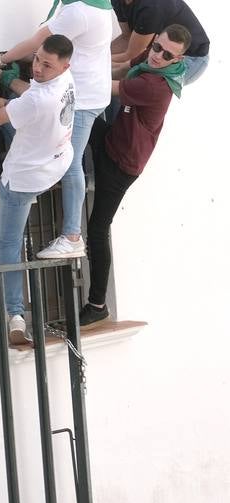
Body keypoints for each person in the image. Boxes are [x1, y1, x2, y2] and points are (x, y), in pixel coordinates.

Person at [80, 25, 190, 327]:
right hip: (114, 139)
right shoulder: (148, 60)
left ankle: (98, 304)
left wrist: (72, 69)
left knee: (98, 227)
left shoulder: (156, 86)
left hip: (121, 164)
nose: (157, 56)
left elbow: (107, 86)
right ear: (154, 41)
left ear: (177, 59)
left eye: (167, 54)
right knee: (81, 120)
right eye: (157, 47)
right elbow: (121, 66)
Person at [0, 0, 114, 262]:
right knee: (62, 153)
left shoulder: (78, 12)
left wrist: (0, 59)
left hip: (81, 98)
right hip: (89, 92)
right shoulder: (100, 5)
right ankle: (34, 197)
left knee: (70, 160)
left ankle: (72, 236)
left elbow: (36, 41)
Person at [0, 35, 76, 346]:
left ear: (64, 64)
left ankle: (15, 314)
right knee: (19, 123)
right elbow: (31, 96)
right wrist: (12, 90)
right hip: (55, 161)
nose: (37, 67)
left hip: (23, 179)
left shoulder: (39, 101)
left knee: (9, 244)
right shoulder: (65, 78)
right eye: (37, 59)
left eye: (46, 64)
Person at [112, 0, 208, 86]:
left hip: (189, 58)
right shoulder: (118, 1)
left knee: (135, 85)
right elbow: (126, 37)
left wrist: (101, 59)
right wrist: (100, 55)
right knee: (116, 73)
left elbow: (131, 54)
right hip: (160, 49)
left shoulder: (152, 6)